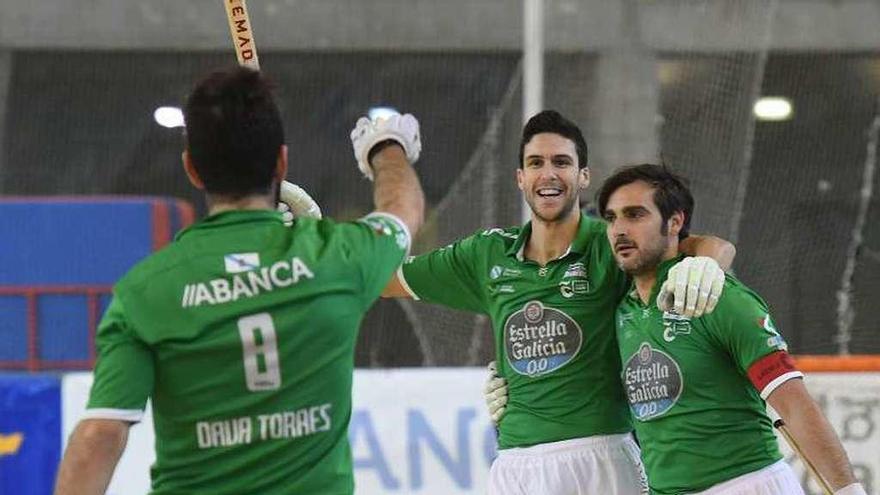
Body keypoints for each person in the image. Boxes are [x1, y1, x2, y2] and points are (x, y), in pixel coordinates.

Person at [53, 66, 425, 495]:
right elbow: (402, 211)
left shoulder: (145, 291)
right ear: (281, 162)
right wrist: (385, 146)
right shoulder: (337, 257)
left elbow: (100, 435)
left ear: (192, 169)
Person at [377, 110, 735, 494]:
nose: (548, 174)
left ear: (584, 176)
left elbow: (712, 245)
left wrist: (707, 264)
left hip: (601, 455)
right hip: (515, 463)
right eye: (536, 163)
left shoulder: (612, 243)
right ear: (521, 178)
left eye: (561, 162)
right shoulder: (487, 253)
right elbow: (382, 278)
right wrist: (312, 246)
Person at [595, 164, 865, 495]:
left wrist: (848, 491)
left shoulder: (720, 296)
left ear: (675, 222)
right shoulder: (621, 308)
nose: (619, 229)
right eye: (611, 218)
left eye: (635, 215)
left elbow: (795, 405)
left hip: (746, 485)